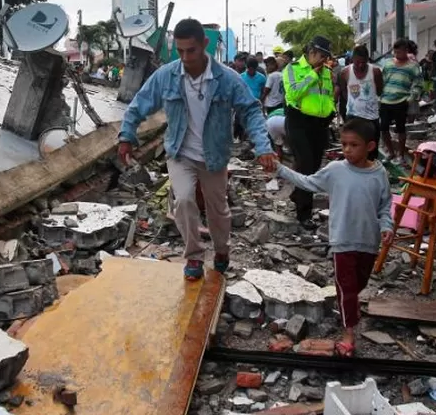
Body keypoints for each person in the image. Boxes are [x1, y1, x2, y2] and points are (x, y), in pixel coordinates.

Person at [118, 18, 276, 281]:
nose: (185, 57)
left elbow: (250, 110)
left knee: (218, 210)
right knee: (184, 200)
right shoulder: (166, 76)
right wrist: (126, 135)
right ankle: (193, 255)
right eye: (179, 51)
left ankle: (222, 251)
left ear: (204, 44)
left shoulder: (227, 79)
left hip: (214, 156)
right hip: (180, 153)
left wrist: (263, 147)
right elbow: (139, 103)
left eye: (191, 50)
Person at [274, 118, 394, 358]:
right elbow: (307, 182)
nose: (347, 150)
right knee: (347, 288)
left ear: (370, 147)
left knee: (357, 286)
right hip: (342, 241)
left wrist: (387, 226)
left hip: (368, 242)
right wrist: (280, 169)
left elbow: (384, 206)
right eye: (344, 144)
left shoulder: (380, 174)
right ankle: (349, 333)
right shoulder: (336, 170)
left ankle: (348, 313)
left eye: (354, 145)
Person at [283, 35, 339, 223]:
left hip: (320, 124)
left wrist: (331, 110)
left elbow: (328, 95)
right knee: (306, 166)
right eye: (322, 55)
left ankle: (298, 194)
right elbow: (293, 92)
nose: (324, 60)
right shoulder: (293, 69)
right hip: (299, 122)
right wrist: (313, 73)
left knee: (314, 168)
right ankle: (304, 214)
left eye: (326, 56)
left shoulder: (327, 71)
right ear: (311, 52)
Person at [380, 39, 423, 163]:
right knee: (383, 128)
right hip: (386, 100)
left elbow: (418, 83)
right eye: (395, 52)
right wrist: (380, 95)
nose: (397, 54)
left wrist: (411, 98)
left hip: (401, 100)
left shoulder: (413, 65)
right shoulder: (388, 64)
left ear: (406, 51)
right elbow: (382, 80)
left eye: (400, 52)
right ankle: (391, 153)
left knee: (401, 129)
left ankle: (401, 155)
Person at [338, 45, 383, 161]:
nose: (361, 65)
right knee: (352, 149)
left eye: (364, 62)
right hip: (353, 116)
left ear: (368, 59)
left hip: (371, 117)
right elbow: (344, 93)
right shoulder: (345, 72)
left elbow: (379, 91)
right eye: (357, 62)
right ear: (352, 59)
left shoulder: (375, 71)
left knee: (371, 150)